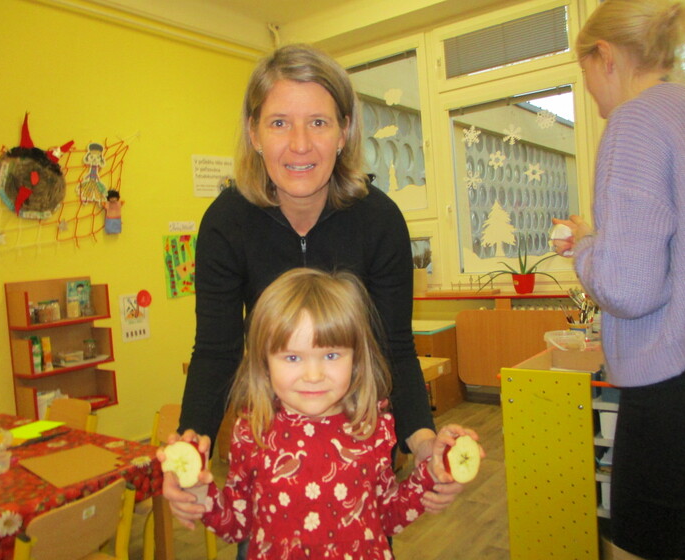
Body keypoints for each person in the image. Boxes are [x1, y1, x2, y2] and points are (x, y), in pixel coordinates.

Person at [165, 43, 466, 548]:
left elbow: (394, 347)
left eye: (319, 123)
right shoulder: (226, 222)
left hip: (358, 452)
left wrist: (423, 441)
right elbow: (216, 350)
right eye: (279, 123)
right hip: (269, 453)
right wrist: (191, 443)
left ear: (344, 132)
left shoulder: (379, 221)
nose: (299, 144)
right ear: (253, 133)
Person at [166, 268, 482, 559]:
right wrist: (199, 492)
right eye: (292, 357)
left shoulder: (372, 426)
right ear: (264, 363)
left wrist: (431, 475)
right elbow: (237, 527)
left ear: (356, 359)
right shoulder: (252, 431)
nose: (314, 375)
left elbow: (386, 517)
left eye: (331, 355)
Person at [552, 1, 685, 558]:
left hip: (670, 381)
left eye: (583, 71)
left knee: (650, 540)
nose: (589, 90)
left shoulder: (635, 122)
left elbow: (629, 288)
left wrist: (586, 247)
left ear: (604, 56)